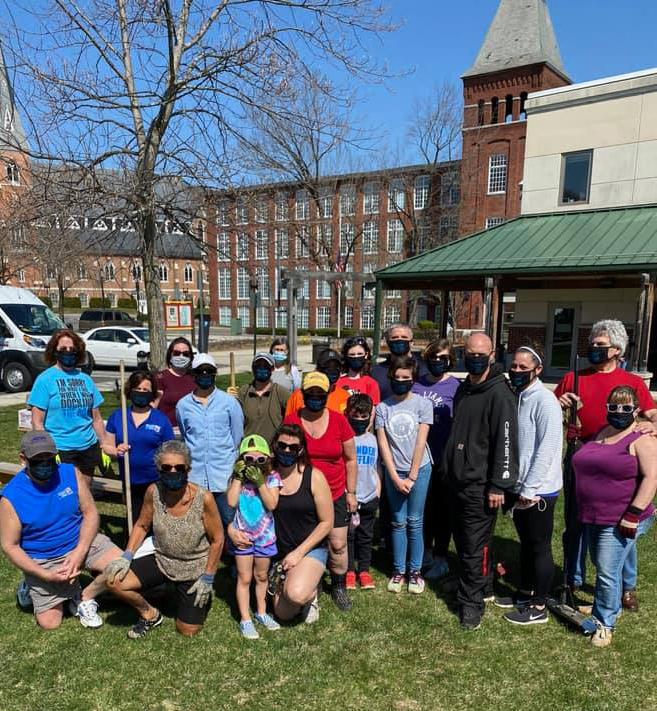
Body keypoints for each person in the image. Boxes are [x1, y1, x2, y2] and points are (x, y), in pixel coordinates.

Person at [554, 319, 657, 605]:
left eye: (600, 345)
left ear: (616, 350)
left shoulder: (633, 383)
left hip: (621, 458)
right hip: (582, 452)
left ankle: (627, 585)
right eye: (591, 344)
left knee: (621, 524)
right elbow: (551, 410)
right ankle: (572, 579)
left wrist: (652, 427)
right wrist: (559, 404)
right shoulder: (574, 377)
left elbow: (653, 413)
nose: (593, 349)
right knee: (576, 520)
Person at [0, 432, 122, 630]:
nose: (46, 464)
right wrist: (44, 574)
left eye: (49, 459)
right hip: (43, 557)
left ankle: (84, 596)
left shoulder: (70, 472)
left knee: (122, 566)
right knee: (50, 623)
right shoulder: (11, 497)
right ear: (23, 459)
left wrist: (79, 553)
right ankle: (30, 586)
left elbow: (90, 513)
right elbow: (10, 546)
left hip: (80, 542)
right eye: (38, 460)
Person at [104, 440, 224, 638]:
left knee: (188, 630)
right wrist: (127, 556)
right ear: (159, 469)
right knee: (114, 581)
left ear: (188, 469)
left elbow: (218, 539)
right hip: (162, 559)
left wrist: (208, 576)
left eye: (179, 467)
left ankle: (181, 593)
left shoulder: (205, 498)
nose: (173, 471)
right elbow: (142, 525)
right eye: (167, 467)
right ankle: (150, 613)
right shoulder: (154, 492)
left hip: (193, 567)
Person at [443, 332, 518, 631]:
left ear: (491, 355)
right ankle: (479, 584)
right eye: (469, 353)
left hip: (481, 485)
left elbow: (507, 440)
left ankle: (471, 603)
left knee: (475, 545)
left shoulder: (499, 393)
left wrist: (499, 484)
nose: (474, 358)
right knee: (463, 540)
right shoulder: (465, 389)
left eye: (480, 354)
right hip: (457, 480)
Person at [572, 386, 657, 648]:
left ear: (635, 410)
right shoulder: (602, 433)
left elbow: (652, 477)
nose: (619, 413)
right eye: (614, 407)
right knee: (604, 563)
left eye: (626, 408)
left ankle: (604, 623)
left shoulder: (642, 437)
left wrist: (632, 514)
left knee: (607, 571)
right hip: (594, 514)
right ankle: (607, 605)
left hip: (623, 517)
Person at [284, 371, 358, 611]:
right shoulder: (292, 421)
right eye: (310, 393)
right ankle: (304, 578)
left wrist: (352, 492)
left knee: (338, 544)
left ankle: (338, 585)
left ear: (328, 394)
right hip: (304, 492)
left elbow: (350, 459)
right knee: (305, 539)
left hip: (335, 491)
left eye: (320, 394)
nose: (315, 397)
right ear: (303, 394)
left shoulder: (339, 421)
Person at [500, 346, 563, 626]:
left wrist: (530, 488)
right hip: (520, 483)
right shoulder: (518, 396)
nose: (516, 371)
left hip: (539, 489)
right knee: (526, 545)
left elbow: (547, 447)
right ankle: (525, 593)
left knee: (539, 547)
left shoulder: (545, 401)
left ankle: (539, 605)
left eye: (523, 368)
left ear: (537, 370)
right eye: (514, 366)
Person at [375, 355, 433, 595]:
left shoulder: (422, 404)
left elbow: (421, 441)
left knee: (415, 521)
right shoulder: (382, 408)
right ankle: (398, 571)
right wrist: (395, 477)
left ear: (413, 379)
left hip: (419, 469)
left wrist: (411, 476)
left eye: (406, 378)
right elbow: (384, 445)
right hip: (394, 471)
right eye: (397, 378)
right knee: (397, 521)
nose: (401, 381)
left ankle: (415, 572)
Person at [268, 424, 333, 623]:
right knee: (282, 614)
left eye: (293, 447)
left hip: (309, 548)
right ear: (274, 446)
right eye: (282, 445)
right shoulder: (266, 474)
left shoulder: (314, 476)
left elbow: (327, 522)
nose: (286, 451)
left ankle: (312, 591)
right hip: (277, 551)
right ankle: (292, 578)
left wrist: (298, 553)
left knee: (295, 595)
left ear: (301, 450)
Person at [176, 353, 244, 528]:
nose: (205, 375)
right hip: (196, 476)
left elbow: (237, 436)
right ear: (193, 375)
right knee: (200, 524)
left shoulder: (230, 403)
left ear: (214, 374)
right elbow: (186, 436)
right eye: (201, 371)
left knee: (228, 522)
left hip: (224, 475)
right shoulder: (183, 406)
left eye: (209, 371)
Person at [28, 329, 105, 483]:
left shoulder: (86, 379)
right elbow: (37, 421)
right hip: (60, 447)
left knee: (85, 489)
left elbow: (96, 418)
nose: (68, 352)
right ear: (54, 351)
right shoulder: (45, 380)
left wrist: (104, 444)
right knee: (65, 490)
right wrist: (46, 448)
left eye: (72, 349)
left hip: (87, 445)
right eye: (63, 349)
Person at [412, 338, 460, 579]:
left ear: (450, 360)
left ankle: (441, 556)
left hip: (444, 457)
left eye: (443, 358)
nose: (438, 362)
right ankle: (426, 551)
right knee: (423, 508)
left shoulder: (456, 387)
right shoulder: (416, 385)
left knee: (442, 509)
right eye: (434, 357)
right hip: (420, 458)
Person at [226, 435, 282, 639]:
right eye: (249, 460)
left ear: (267, 459)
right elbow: (231, 502)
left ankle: (261, 612)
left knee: (261, 576)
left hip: (265, 537)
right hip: (243, 537)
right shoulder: (237, 479)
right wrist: (238, 478)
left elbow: (272, 504)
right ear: (241, 460)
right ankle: (245, 618)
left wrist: (260, 483)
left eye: (260, 460)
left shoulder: (273, 478)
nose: (254, 465)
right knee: (244, 577)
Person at [103, 370, 175, 523]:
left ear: (152, 393)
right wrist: (116, 451)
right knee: (134, 520)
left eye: (146, 390)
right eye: (138, 389)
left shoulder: (160, 419)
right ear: (131, 391)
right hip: (130, 481)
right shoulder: (118, 417)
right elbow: (107, 446)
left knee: (156, 521)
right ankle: (133, 545)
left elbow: (171, 451)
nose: (141, 393)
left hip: (155, 481)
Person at [345, 394, 381, 591]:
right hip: (350, 496)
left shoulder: (373, 440)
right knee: (349, 536)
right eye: (355, 416)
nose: (359, 421)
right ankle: (350, 570)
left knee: (366, 535)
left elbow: (377, 467)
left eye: (363, 417)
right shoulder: (345, 439)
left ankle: (364, 570)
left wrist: (378, 490)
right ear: (348, 415)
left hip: (369, 495)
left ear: (369, 417)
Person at [230, 353, 290, 445]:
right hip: (249, 449)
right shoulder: (244, 392)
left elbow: (293, 417)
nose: (262, 369)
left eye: (265, 366)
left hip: (272, 451)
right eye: (258, 366)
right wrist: (229, 399)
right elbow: (232, 420)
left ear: (272, 369)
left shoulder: (280, 392)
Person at [285, 349, 350, 416]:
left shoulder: (345, 396)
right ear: (318, 369)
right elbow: (288, 423)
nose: (332, 371)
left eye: (336, 367)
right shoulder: (298, 396)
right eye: (327, 367)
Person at [372, 323, 427, 401]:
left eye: (404, 337)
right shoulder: (376, 371)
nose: (399, 340)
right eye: (394, 338)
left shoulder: (425, 368)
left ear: (411, 342)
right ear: (388, 342)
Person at [154, 337, 196, 428]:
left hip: (192, 430)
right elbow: (152, 408)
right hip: (167, 430)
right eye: (176, 353)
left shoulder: (195, 378)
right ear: (170, 355)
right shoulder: (160, 378)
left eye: (185, 354)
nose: (181, 357)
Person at [335, 336, 381, 405]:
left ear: (366, 355)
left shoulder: (371, 383)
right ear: (346, 356)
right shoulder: (338, 382)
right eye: (352, 354)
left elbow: (373, 409)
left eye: (359, 354)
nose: (356, 357)